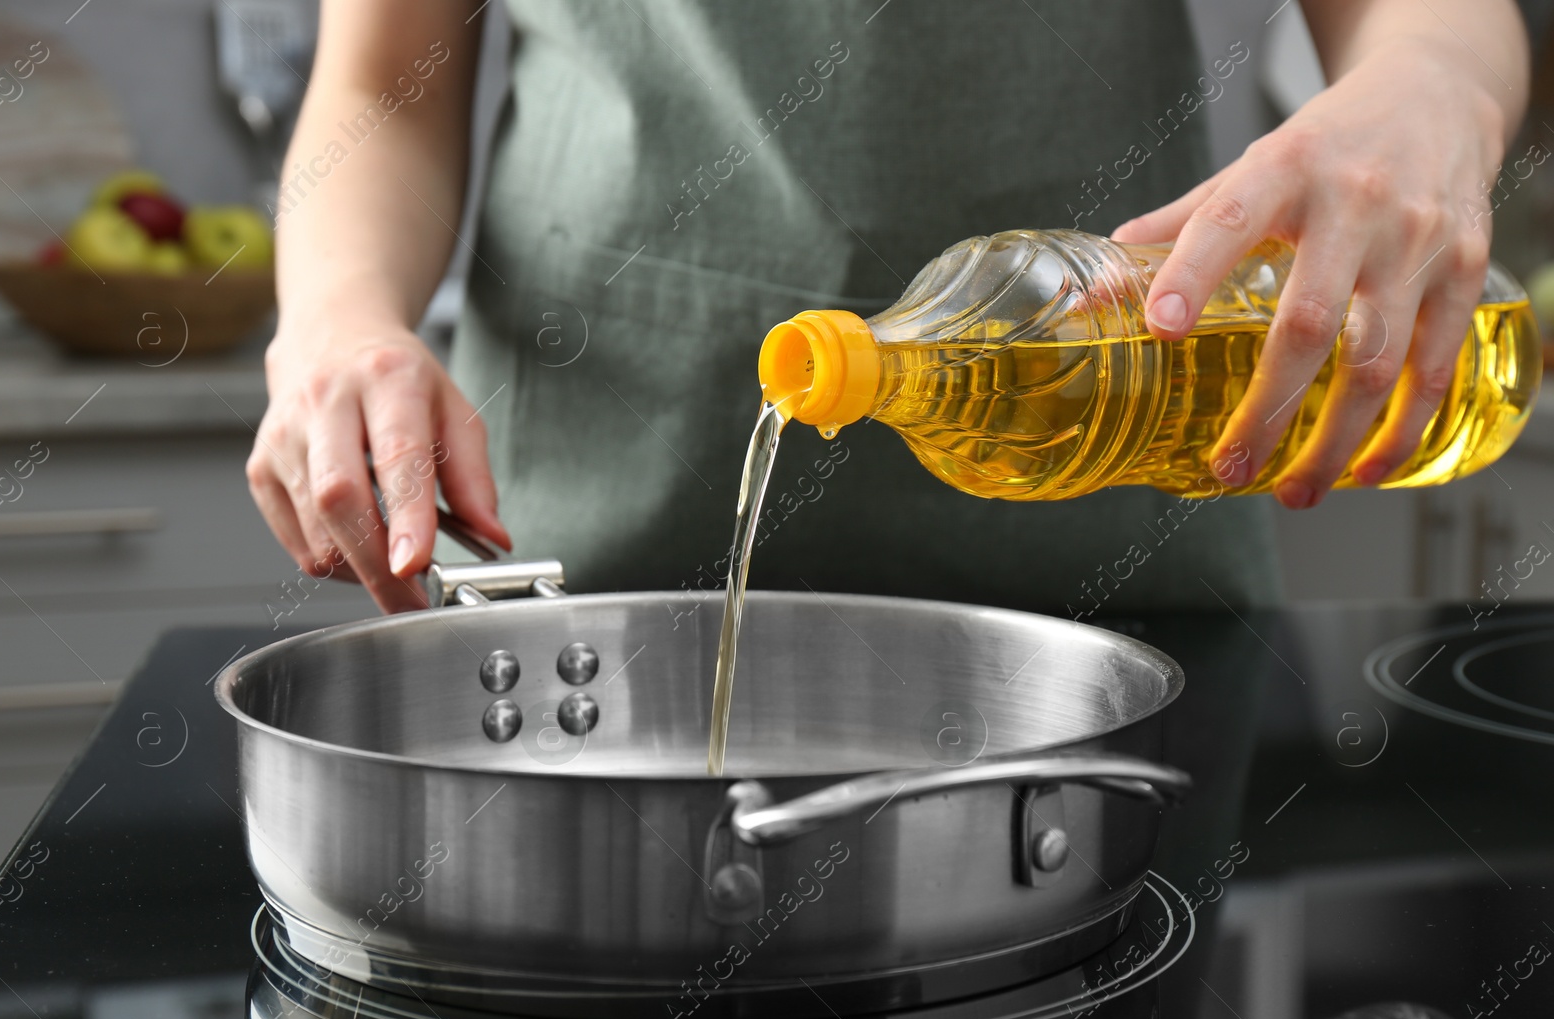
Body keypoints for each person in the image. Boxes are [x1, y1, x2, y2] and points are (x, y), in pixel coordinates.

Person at [246, 0, 1529, 617]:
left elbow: (1424, 19)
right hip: (592, 571)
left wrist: (1432, 85)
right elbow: (386, 85)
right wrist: (336, 317)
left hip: (1115, 583)